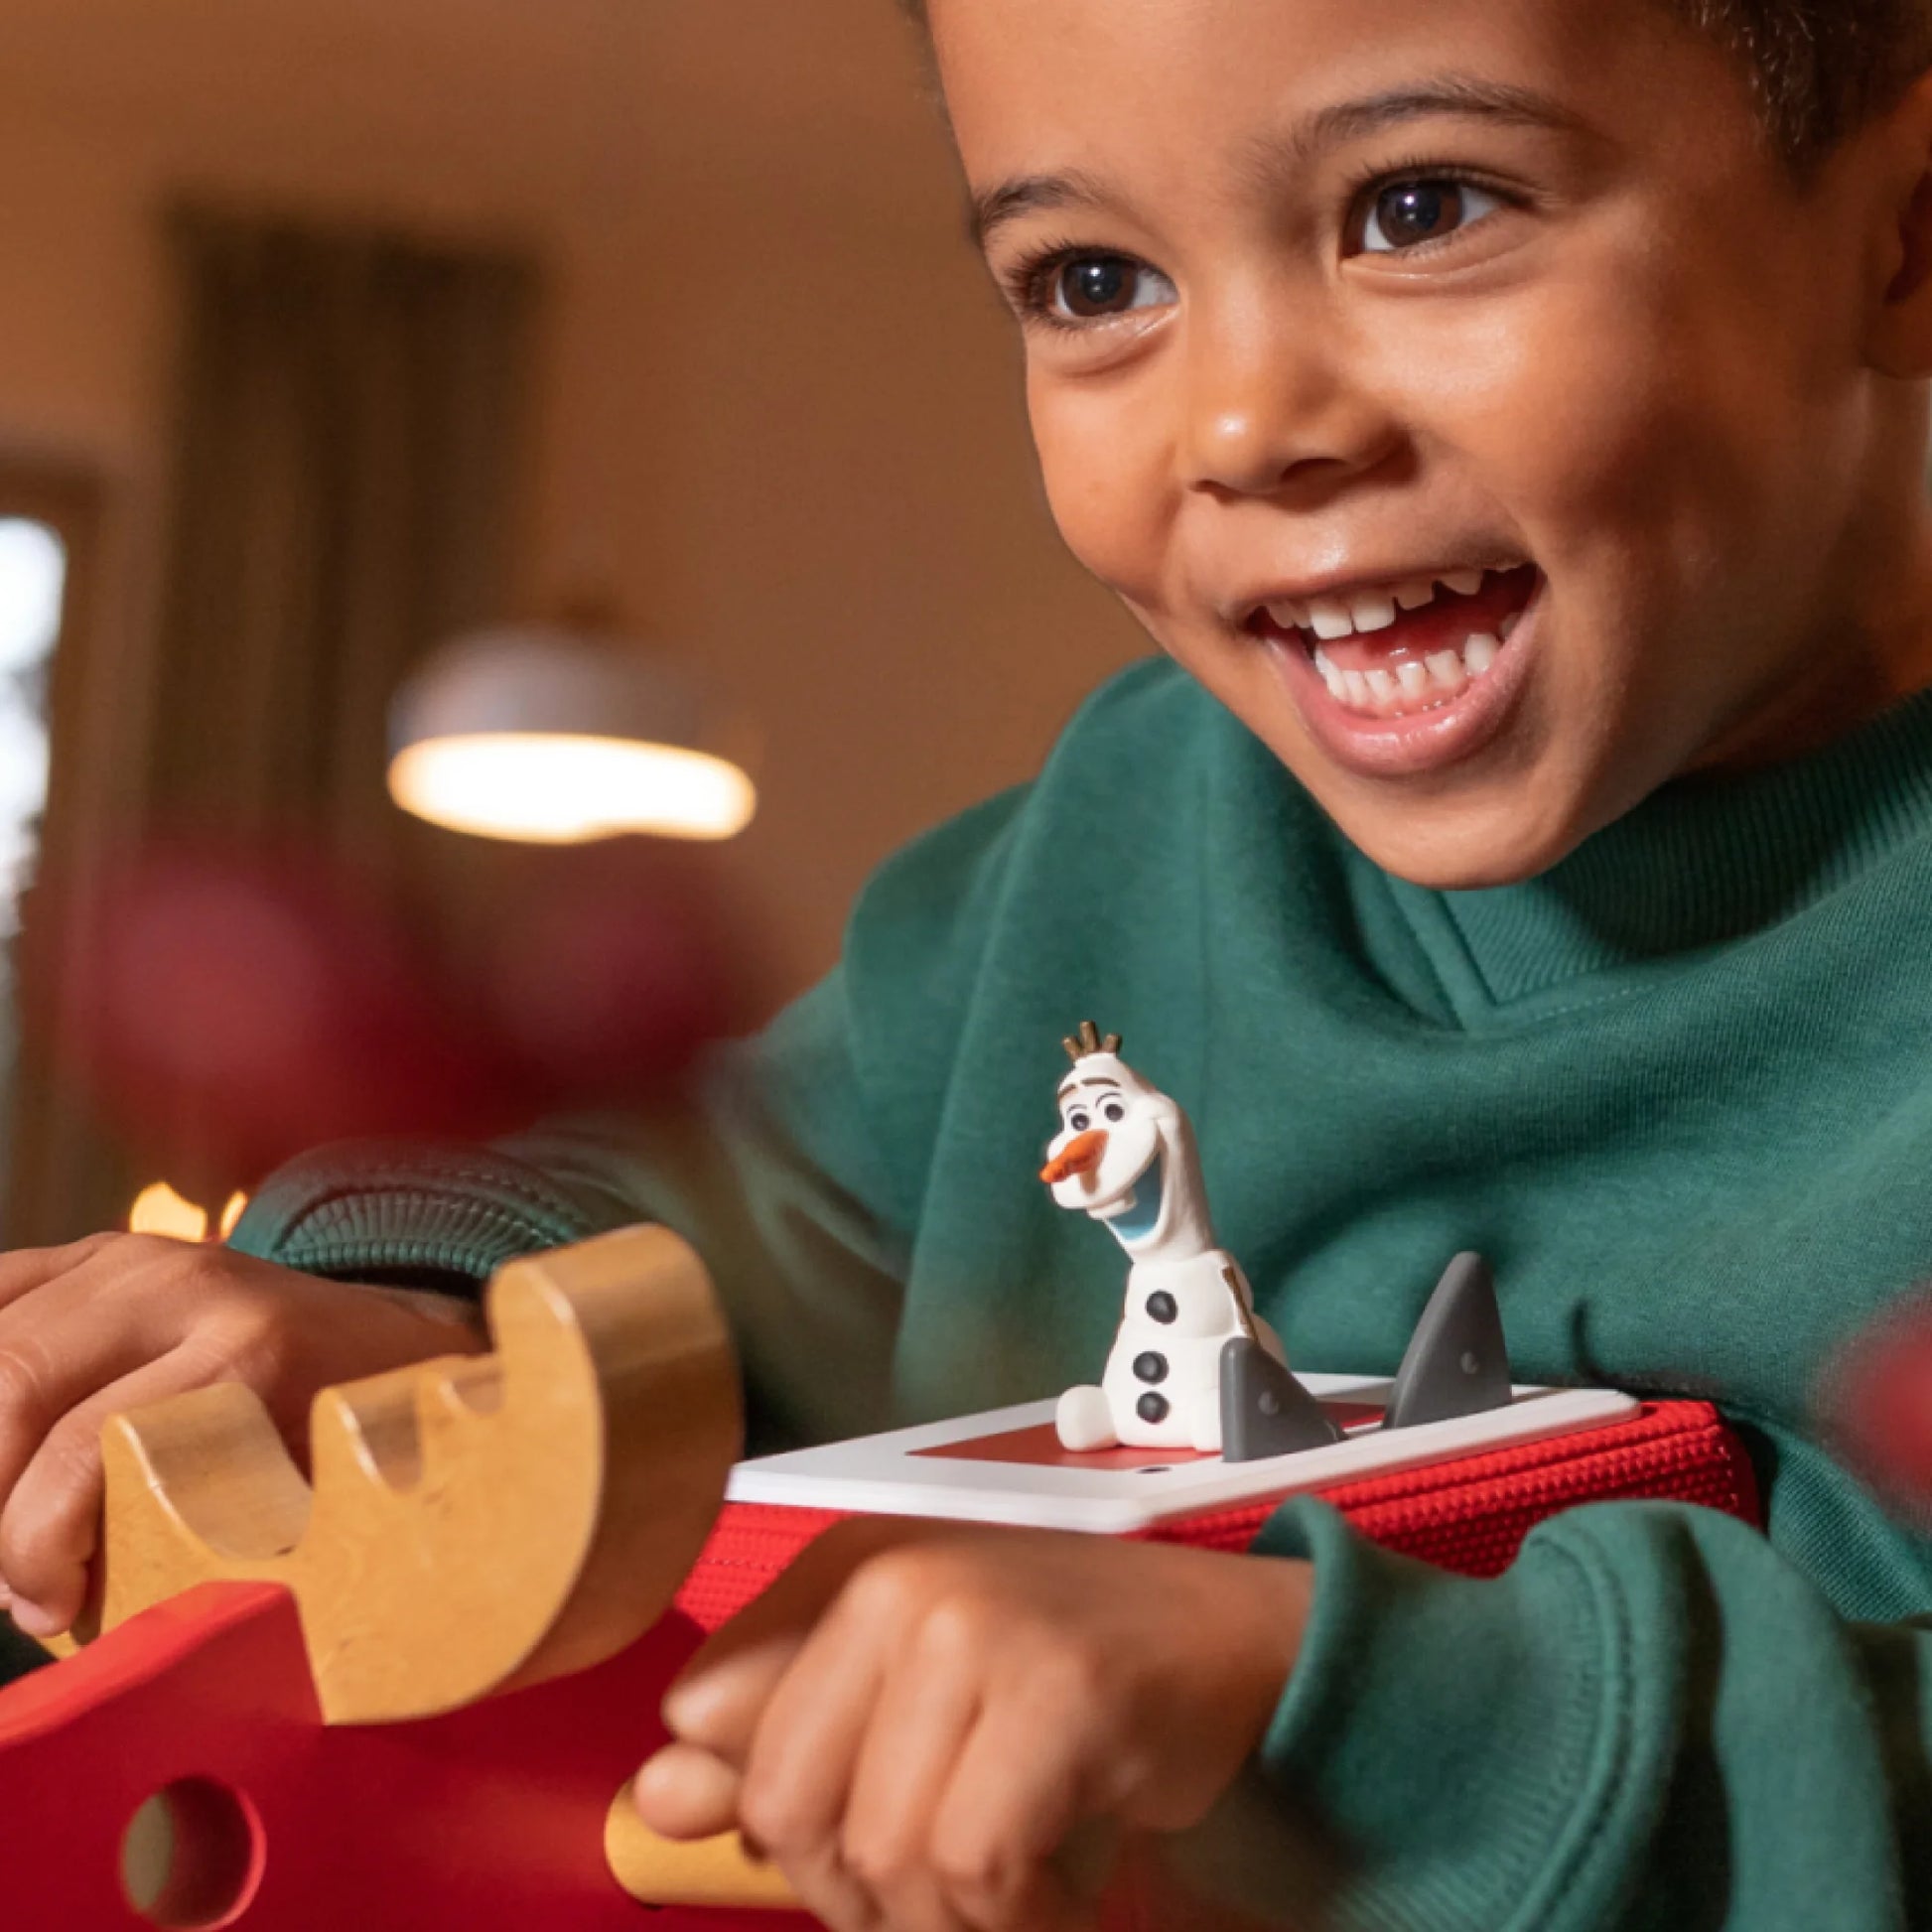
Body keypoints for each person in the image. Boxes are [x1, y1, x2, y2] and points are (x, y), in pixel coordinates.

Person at [9, 0, 1932, 1922]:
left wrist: (1329, 1698)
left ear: (1899, 235)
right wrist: (418, 1326)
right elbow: (704, 1217)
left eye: (1422, 208)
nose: (1243, 425)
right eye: (1092, 280)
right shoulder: (1115, 834)